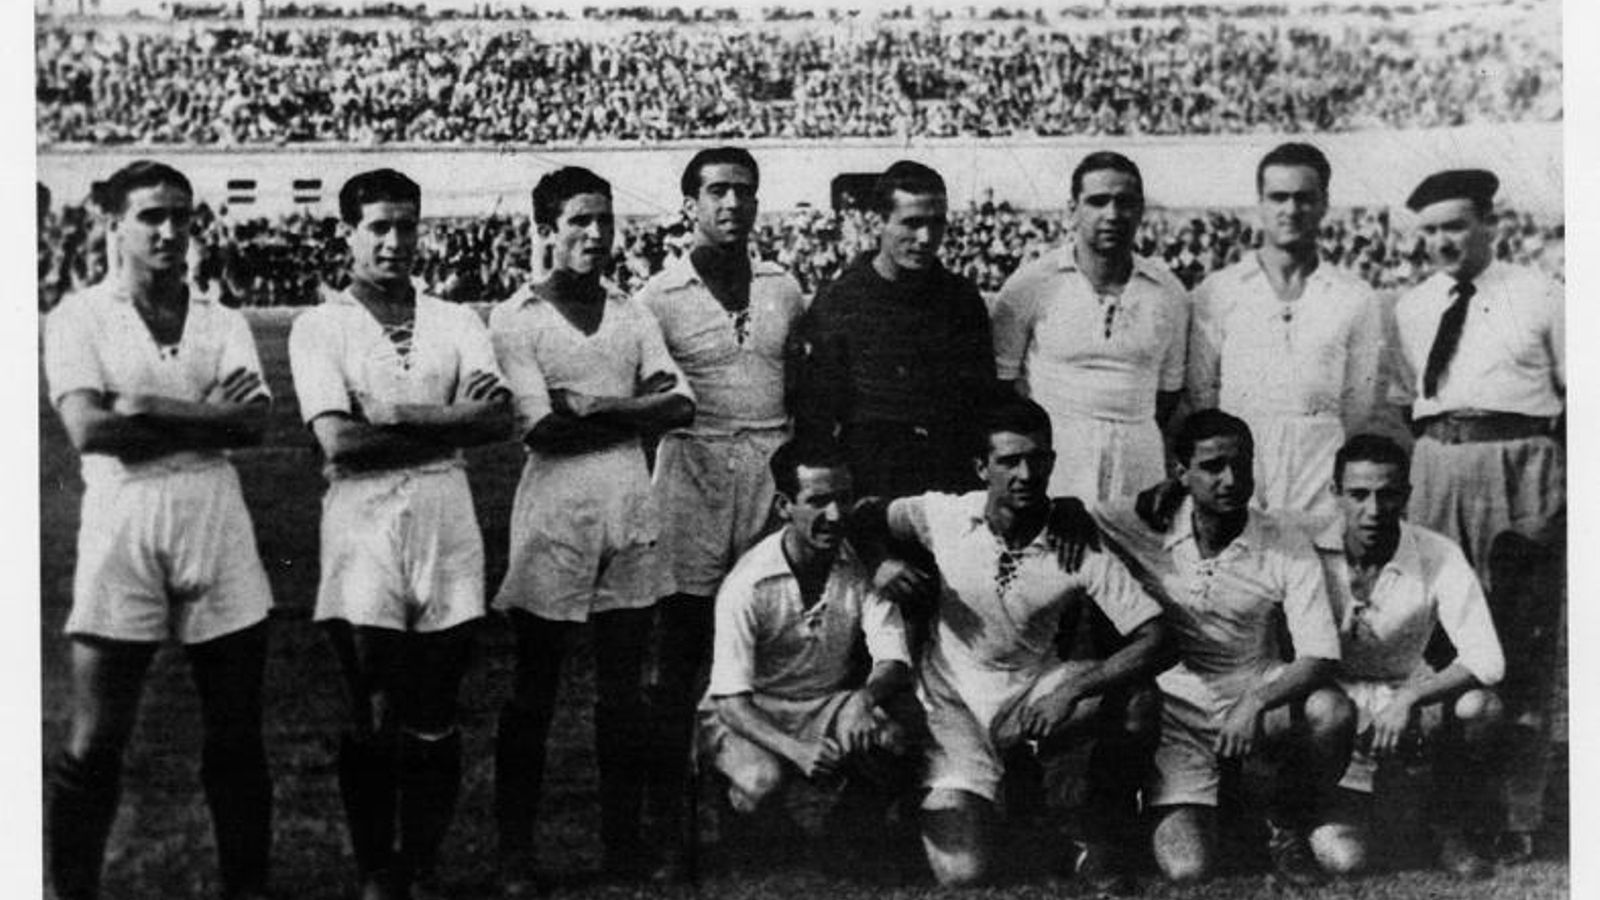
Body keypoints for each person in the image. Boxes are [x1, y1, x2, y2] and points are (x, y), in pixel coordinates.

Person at [44, 161, 275, 900]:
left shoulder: (221, 318)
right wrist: (207, 417)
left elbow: (255, 421)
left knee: (236, 735)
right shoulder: (78, 316)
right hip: (123, 517)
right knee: (96, 739)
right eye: (152, 216)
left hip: (215, 515)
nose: (171, 231)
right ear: (114, 224)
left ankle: (247, 889)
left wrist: (144, 405)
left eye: (182, 215)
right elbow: (88, 429)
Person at [287, 168, 512, 900]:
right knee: (375, 700)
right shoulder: (320, 325)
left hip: (447, 513)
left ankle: (423, 858)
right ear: (348, 233)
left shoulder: (455, 318)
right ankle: (376, 867)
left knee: (437, 702)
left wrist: (399, 415)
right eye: (379, 226)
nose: (394, 240)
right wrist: (449, 424)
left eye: (406, 225)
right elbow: (340, 445)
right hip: (363, 517)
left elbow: (497, 419)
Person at [853, 397, 1167, 889]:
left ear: (1052, 463)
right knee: (963, 874)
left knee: (1138, 700)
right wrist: (879, 562)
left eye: (1037, 459)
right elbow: (865, 514)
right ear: (982, 467)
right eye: (1009, 461)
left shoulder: (1074, 540)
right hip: (951, 706)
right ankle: (977, 806)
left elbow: (1155, 637)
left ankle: (1105, 830)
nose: (1025, 473)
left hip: (1032, 698)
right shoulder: (943, 515)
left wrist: (1072, 691)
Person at [489, 166, 696, 891]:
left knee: (623, 689)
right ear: (547, 229)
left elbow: (678, 405)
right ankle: (516, 852)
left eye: (604, 220)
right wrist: (623, 408)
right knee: (535, 685)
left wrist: (592, 404)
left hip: (629, 505)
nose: (596, 234)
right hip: (554, 511)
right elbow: (541, 428)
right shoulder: (516, 315)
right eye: (579, 221)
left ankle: (623, 846)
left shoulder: (633, 312)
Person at [634, 147, 809, 875]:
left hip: (769, 471)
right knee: (678, 657)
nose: (731, 203)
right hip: (693, 469)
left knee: (763, 645)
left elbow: (797, 383)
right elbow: (649, 404)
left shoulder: (784, 286)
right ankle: (671, 825)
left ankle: (751, 813)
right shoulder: (658, 294)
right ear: (690, 204)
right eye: (716, 191)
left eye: (743, 191)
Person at [1096, 409, 1354, 887]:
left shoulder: (1283, 539)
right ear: (1181, 472)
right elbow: (1066, 512)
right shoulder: (1144, 524)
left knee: (1332, 712)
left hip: (1257, 695)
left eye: (1241, 464)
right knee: (1188, 869)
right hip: (1178, 712)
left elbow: (1319, 655)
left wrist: (1254, 701)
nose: (1231, 480)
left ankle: (1287, 825)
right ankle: (1196, 815)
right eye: (1212, 467)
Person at [1387, 168, 1564, 863]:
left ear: (1492, 224)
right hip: (1438, 463)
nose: (1442, 241)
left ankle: (1518, 814)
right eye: (1430, 230)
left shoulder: (1542, 295)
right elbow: (1411, 401)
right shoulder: (1412, 304)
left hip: (1520, 464)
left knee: (1521, 645)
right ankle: (1438, 810)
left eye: (1456, 225)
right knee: (1439, 639)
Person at [698, 438, 921, 859]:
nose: (834, 515)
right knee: (761, 782)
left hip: (825, 704)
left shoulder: (862, 567)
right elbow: (730, 702)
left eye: (843, 499)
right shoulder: (747, 583)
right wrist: (797, 751)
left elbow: (893, 660)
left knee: (896, 737)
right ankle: (741, 809)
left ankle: (848, 829)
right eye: (817, 501)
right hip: (751, 710)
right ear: (784, 506)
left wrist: (863, 698)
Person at [1302, 434, 1504, 879]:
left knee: (1480, 707)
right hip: (1331, 705)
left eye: (1388, 494)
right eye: (1358, 495)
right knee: (1347, 861)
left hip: (1404, 701)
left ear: (1406, 496)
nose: (1373, 510)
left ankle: (1447, 824)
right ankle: (1318, 811)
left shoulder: (1437, 553)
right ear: (1335, 494)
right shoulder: (1304, 542)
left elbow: (1488, 659)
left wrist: (1411, 696)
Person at [1187, 142, 1385, 530]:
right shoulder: (1219, 290)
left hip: (1322, 461)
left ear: (1324, 203)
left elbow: (1358, 403)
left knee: (1321, 574)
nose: (1291, 210)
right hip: (1242, 460)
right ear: (1260, 203)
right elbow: (1202, 391)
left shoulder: (1354, 295)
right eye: (1279, 197)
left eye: (1304, 198)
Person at [791, 159, 996, 499]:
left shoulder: (961, 299)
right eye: (912, 223)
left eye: (937, 223)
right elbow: (816, 416)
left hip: (951, 480)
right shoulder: (839, 301)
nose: (926, 238)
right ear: (878, 222)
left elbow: (983, 400)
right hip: (871, 482)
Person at [990, 151, 1188, 502]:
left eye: (1124, 202)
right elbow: (1002, 389)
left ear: (1141, 210)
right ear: (1072, 210)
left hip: (1139, 465)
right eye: (1097, 202)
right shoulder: (1030, 285)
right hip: (1057, 466)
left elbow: (1169, 393)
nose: (1112, 214)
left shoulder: (1168, 292)